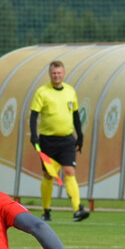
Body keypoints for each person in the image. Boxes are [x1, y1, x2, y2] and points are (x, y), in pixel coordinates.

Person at [29, 60, 89, 222]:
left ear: (64, 74)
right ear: (50, 74)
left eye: (59, 73)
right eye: (54, 73)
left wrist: (80, 135)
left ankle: (77, 209)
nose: (57, 75)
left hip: (67, 140)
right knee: (48, 175)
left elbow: (75, 115)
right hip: (48, 140)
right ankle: (46, 210)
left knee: (69, 171)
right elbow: (34, 114)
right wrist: (34, 135)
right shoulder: (42, 92)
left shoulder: (70, 91)